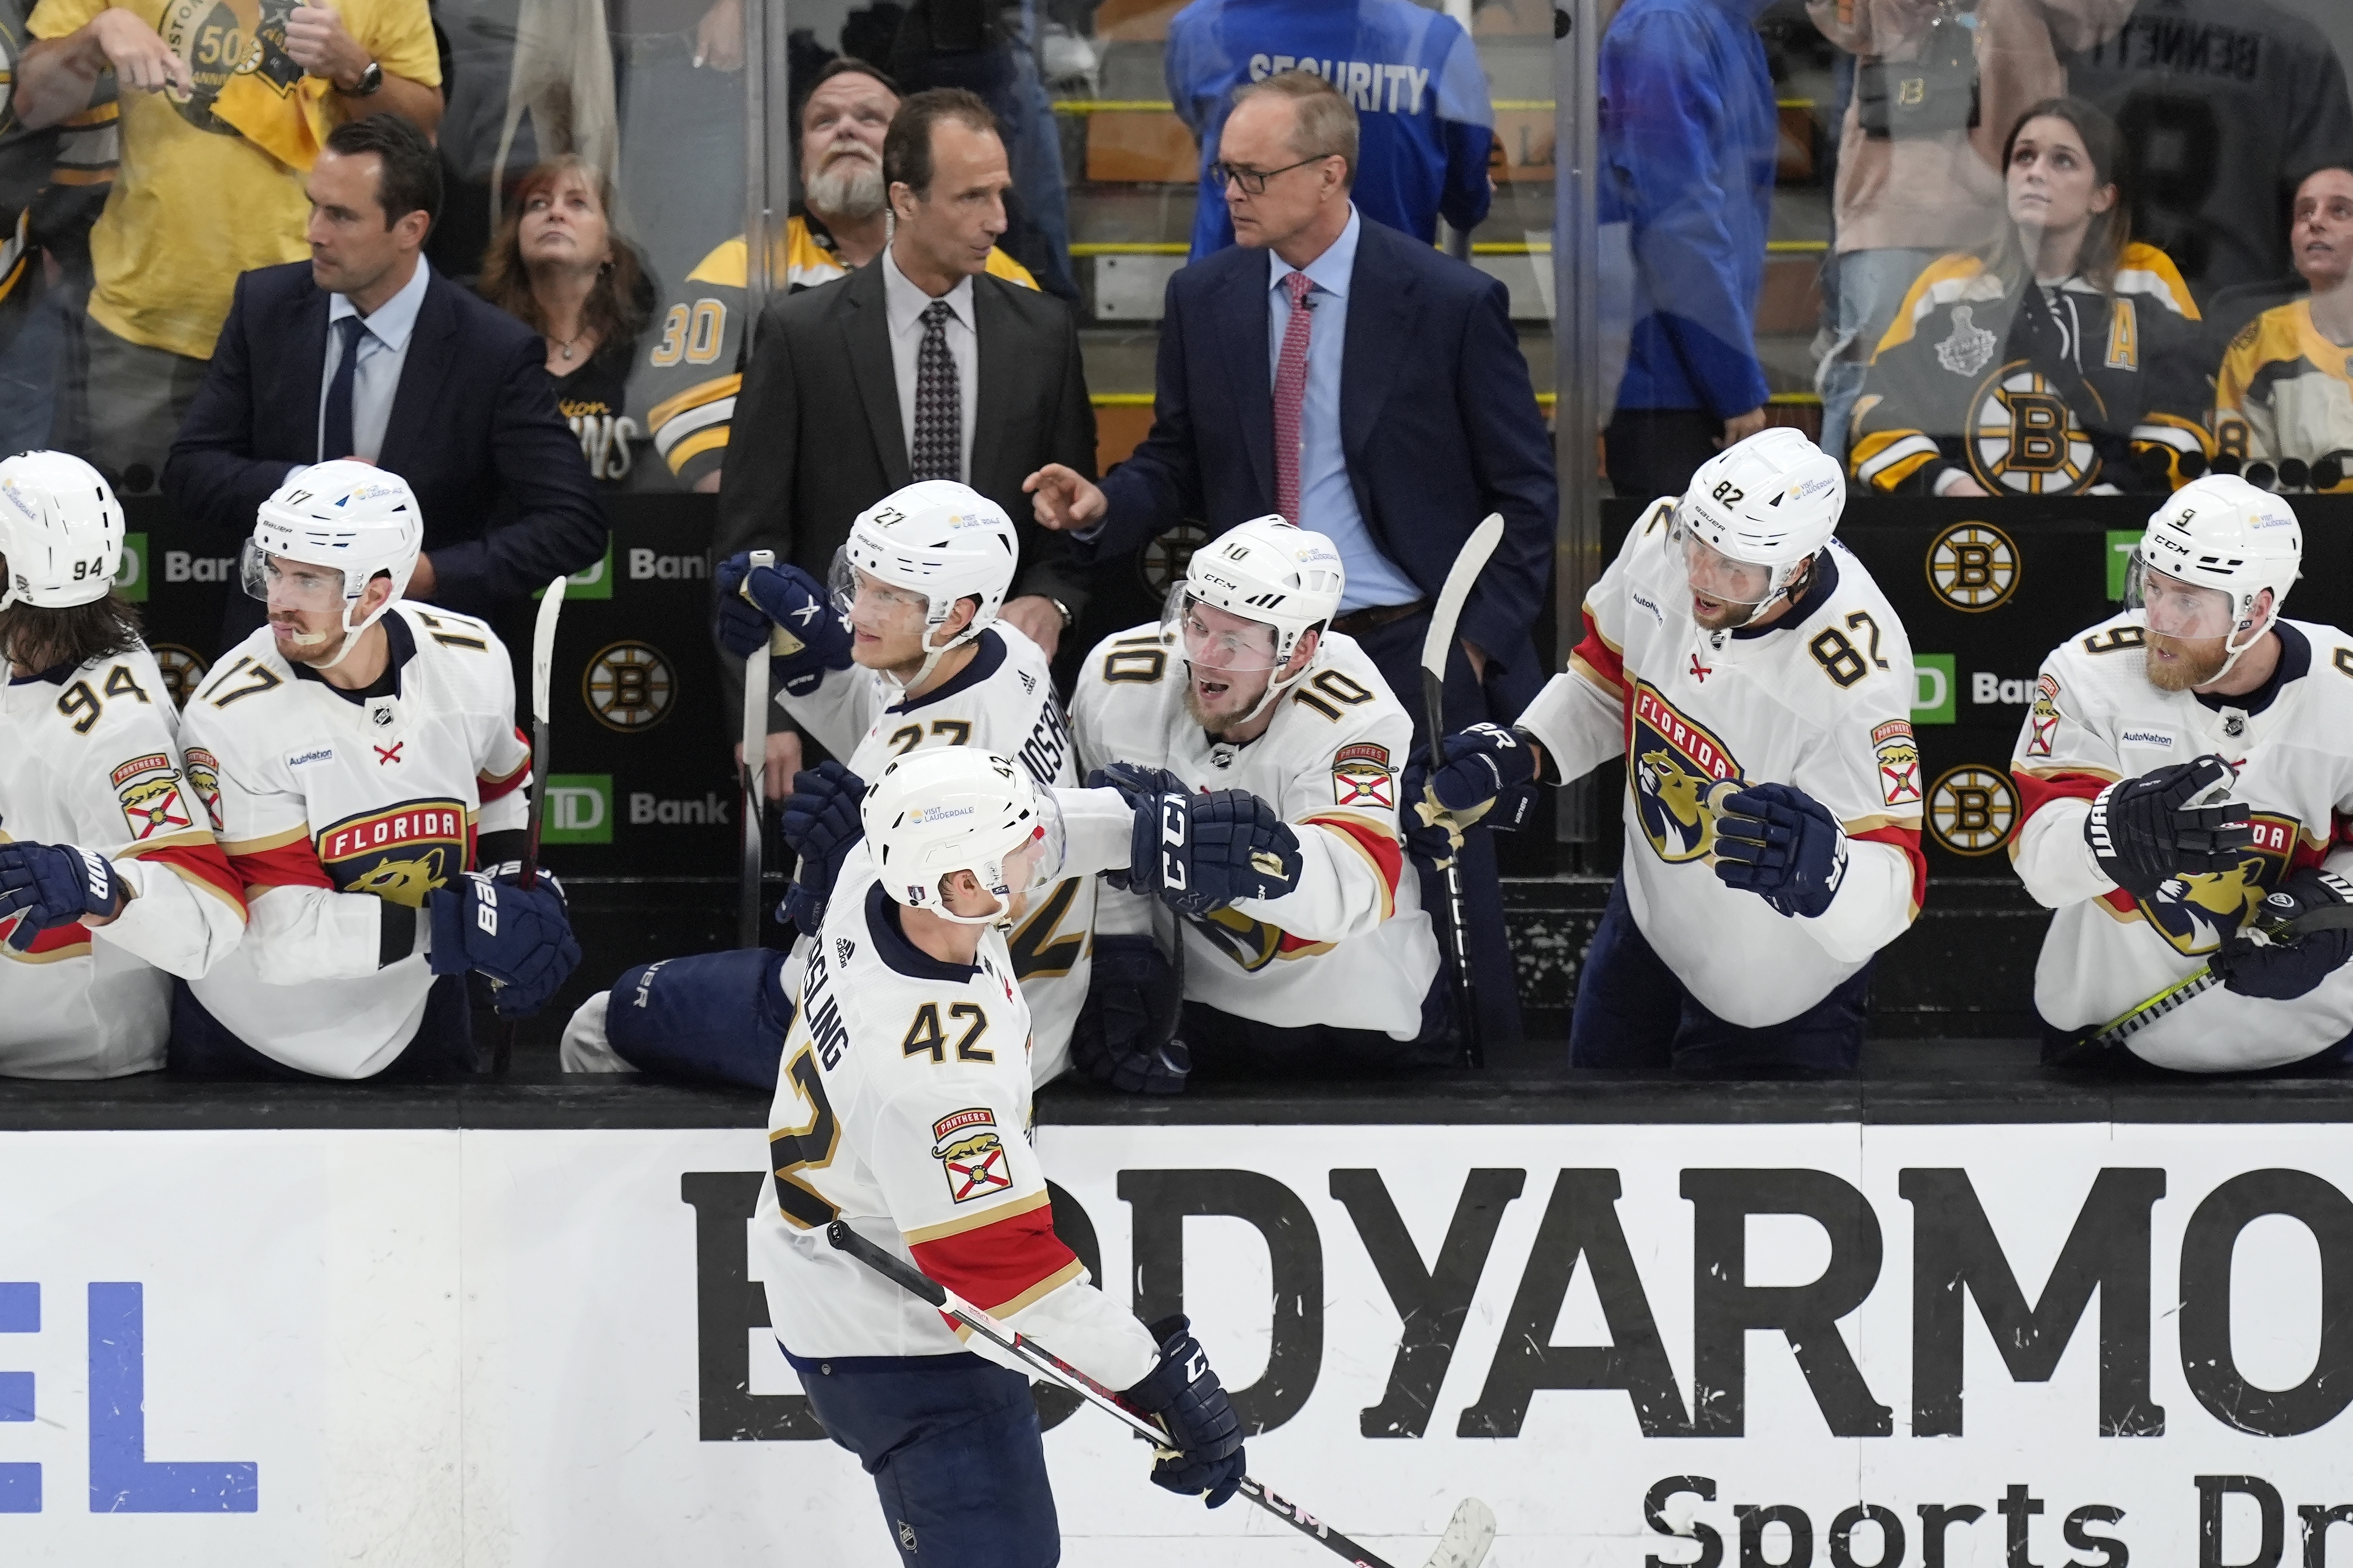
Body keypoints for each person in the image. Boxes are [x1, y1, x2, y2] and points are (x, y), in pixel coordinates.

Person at [1025, 70, 1554, 1049]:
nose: (1230, 193)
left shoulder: (1446, 299)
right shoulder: (1206, 296)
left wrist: (1470, 651)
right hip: (1250, 656)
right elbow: (1177, 459)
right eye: (1223, 171)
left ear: (1329, 174)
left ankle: (1488, 1093)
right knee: (1263, 892)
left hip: (1403, 650)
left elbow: (1524, 497)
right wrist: (1107, 504)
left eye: (1252, 174)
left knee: (1448, 895)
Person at [747, 744, 1247, 1564]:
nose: (1037, 850)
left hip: (851, 1262)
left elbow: (1039, 833)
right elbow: (1009, 1287)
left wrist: (1136, 831)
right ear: (962, 880)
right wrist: (1153, 1377)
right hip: (900, 1344)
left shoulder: (874, 884)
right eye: (1014, 844)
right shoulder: (935, 1081)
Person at [563, 483, 1103, 1088]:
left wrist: (825, 886)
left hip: (922, 1041)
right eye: (859, 582)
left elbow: (859, 954)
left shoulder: (935, 766)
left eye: (888, 597)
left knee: (601, 1022)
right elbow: (896, 719)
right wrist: (807, 652)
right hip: (1022, 1009)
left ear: (954, 612)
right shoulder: (1009, 651)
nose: (858, 613)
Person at [1421, 429, 1926, 1072]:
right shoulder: (1664, 534)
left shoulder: (1855, 677)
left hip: (1771, 991)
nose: (1697, 577)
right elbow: (1606, 679)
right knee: (1593, 1156)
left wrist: (1824, 870)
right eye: (1697, 544)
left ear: (1796, 568)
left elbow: (1895, 885)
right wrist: (1527, 749)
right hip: (1646, 926)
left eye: (1732, 568)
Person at [717, 87, 1096, 801]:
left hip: (997, 706)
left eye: (1000, 194)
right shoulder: (801, 335)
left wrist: (1052, 600)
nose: (998, 219)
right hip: (839, 703)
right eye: (971, 197)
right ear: (906, 198)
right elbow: (751, 541)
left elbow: (1064, 533)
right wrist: (762, 704)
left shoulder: (1044, 335)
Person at [170, 462, 581, 1079]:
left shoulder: (471, 658)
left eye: (307, 580)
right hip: (257, 1033)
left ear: (378, 591)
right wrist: (462, 926)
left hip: (420, 1012)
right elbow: (280, 934)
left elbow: (499, 791)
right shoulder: (231, 715)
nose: (278, 602)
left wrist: (519, 894)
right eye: (273, 571)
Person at [163, 113, 604, 640]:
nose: (314, 233)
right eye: (314, 207)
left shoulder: (491, 351)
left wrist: (429, 575)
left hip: (422, 652)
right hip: (273, 646)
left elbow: (572, 523)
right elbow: (190, 470)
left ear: (410, 229)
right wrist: (306, 487)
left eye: (341, 216)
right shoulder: (264, 310)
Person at [1068, 516, 1441, 1079]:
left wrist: (1228, 851)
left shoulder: (1354, 716)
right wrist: (1122, 960)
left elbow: (1357, 885)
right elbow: (1103, 855)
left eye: (1236, 641)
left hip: (1355, 1016)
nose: (1205, 656)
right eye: (1196, 625)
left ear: (1299, 651)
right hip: (1195, 1007)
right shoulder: (1118, 681)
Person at [16, 0, 441, 492]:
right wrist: (93, 38)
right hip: (148, 322)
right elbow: (33, 104)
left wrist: (355, 68)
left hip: (307, 324)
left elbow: (422, 133)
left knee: (306, 544)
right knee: (142, 552)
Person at [2008, 475, 2353, 1070]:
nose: (2157, 619)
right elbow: (2041, 865)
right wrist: (2108, 833)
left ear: (2257, 610)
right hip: (2114, 1037)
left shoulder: (2342, 689)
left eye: (2187, 601)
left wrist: (2338, 903)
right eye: (2152, 585)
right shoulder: (2087, 673)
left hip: (2316, 1038)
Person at [639, 58, 1038, 494]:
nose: (845, 130)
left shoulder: (1002, 278)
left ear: (912, 157)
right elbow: (689, 409)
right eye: (823, 121)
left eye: (870, 118)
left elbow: (1035, 432)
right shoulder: (742, 266)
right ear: (801, 157)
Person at [1803, 0, 2137, 466]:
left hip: (2021, 192)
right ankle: (1833, 529)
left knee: (2019, 381)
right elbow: (1842, 23)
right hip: (1898, 198)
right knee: (1869, 379)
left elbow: (2098, 20)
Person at [0, 450, 244, 1076]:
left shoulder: (119, 729)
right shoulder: (22, 646)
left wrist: (101, 887)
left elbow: (204, 922)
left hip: (70, 1064)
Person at [1849, 97, 2212, 497]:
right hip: (1976, 536)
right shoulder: (1949, 286)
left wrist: (2107, 503)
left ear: (2103, 196)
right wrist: (1953, 488)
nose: (2036, 173)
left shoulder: (2147, 279)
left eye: (2063, 161)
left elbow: (2187, 414)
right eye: (2024, 158)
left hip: (2111, 535)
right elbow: (1876, 411)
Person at [1598, 0, 1777, 499]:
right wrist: (1733, 382)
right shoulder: (1667, 25)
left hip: (1691, 372)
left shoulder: (1723, 25)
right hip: (1670, 381)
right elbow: (1675, 220)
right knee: (1678, 573)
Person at [2061, 0, 2353, 304]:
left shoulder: (2068, 30)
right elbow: (2335, 235)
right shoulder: (2295, 45)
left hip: (2087, 319)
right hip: (2235, 325)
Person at [1162, 0, 1494, 258]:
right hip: (1387, 308)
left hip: (1228, 304)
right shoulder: (1437, 43)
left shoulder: (1200, 27)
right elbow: (1468, 202)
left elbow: (1202, 130)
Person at [476, 155, 655, 486]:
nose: (555, 213)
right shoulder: (486, 345)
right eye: (538, 204)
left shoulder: (643, 349)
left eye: (578, 204)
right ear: (517, 237)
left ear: (609, 249)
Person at [2212, 166, 2353, 493]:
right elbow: (2246, 488)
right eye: (2304, 212)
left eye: (2340, 210)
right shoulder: (2261, 342)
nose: (2315, 222)